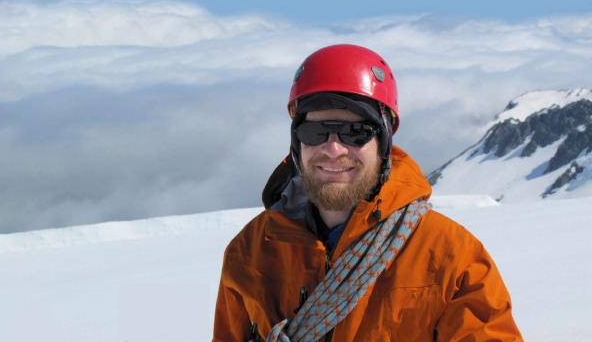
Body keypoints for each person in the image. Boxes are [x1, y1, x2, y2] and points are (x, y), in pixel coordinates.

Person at [213, 44, 522, 341]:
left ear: (384, 143)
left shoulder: (451, 257)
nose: (333, 149)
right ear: (298, 143)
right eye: (315, 132)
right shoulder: (251, 252)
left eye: (355, 133)